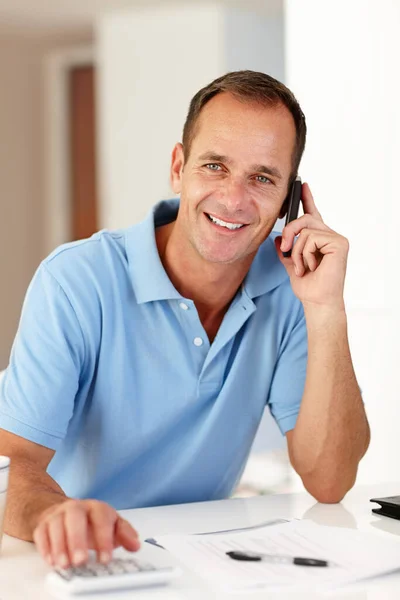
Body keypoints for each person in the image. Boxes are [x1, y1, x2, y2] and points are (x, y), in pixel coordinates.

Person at [0, 70, 370, 569]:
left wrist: (327, 309)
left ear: (290, 198)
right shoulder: (76, 281)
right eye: (215, 166)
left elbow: (330, 482)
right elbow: (12, 464)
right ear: (179, 167)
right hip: (72, 561)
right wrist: (56, 517)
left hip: (201, 563)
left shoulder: (294, 290)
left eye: (262, 177)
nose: (234, 199)